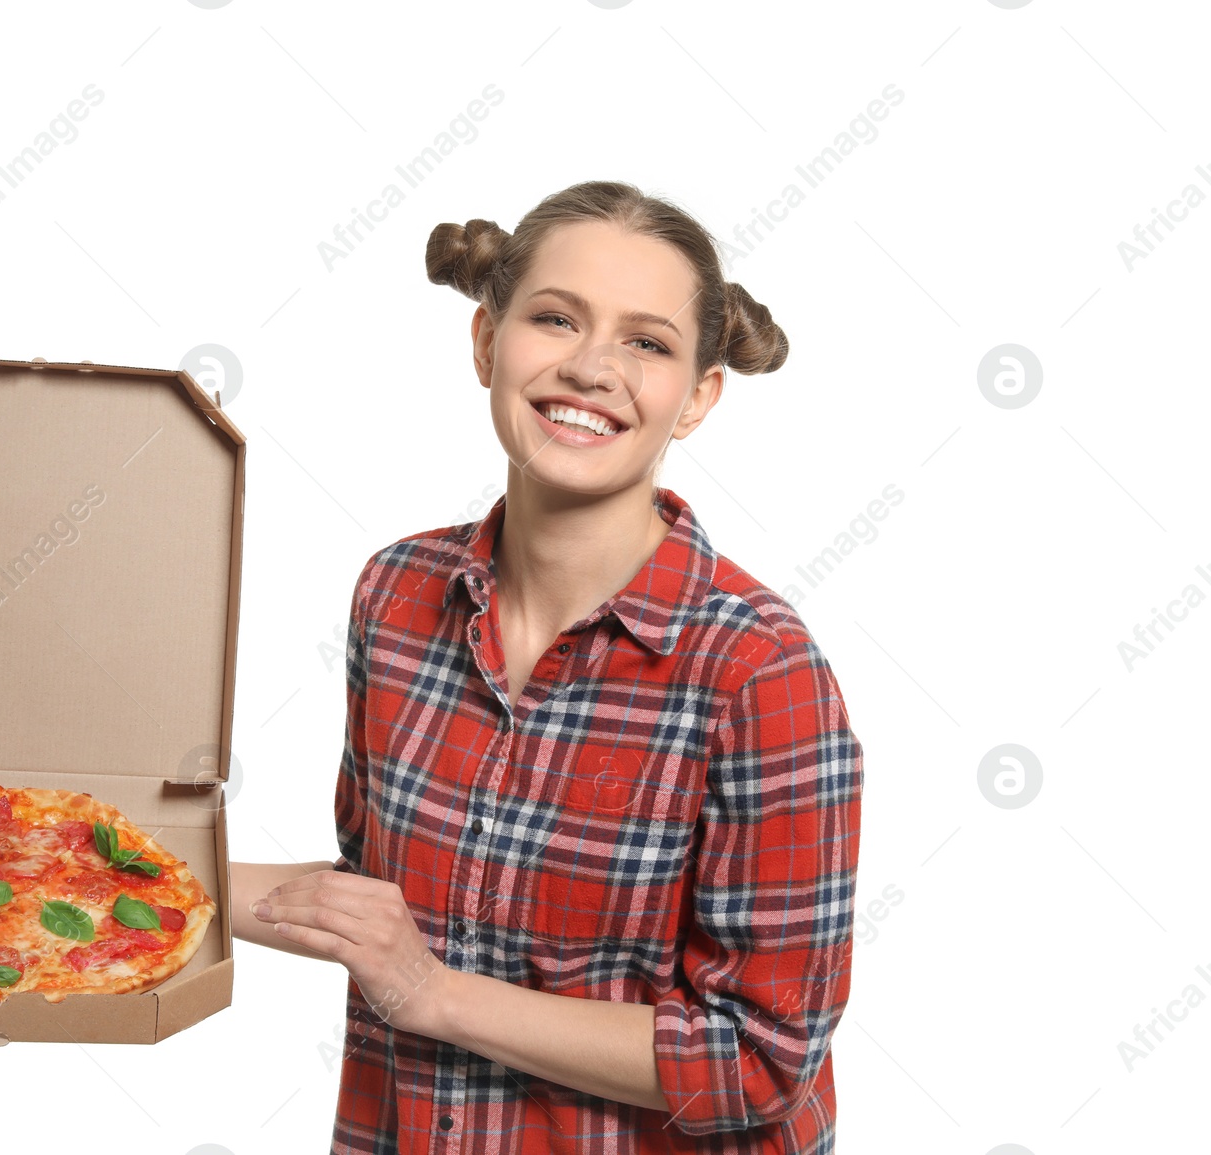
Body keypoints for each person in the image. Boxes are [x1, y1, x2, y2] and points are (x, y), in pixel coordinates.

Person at [231, 179, 864, 1153]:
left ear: (696, 397)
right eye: (555, 320)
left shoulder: (756, 673)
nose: (590, 368)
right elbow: (376, 901)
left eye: (645, 343)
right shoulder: (395, 597)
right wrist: (134, 877)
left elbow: (759, 1059)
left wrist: (431, 994)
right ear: (486, 342)